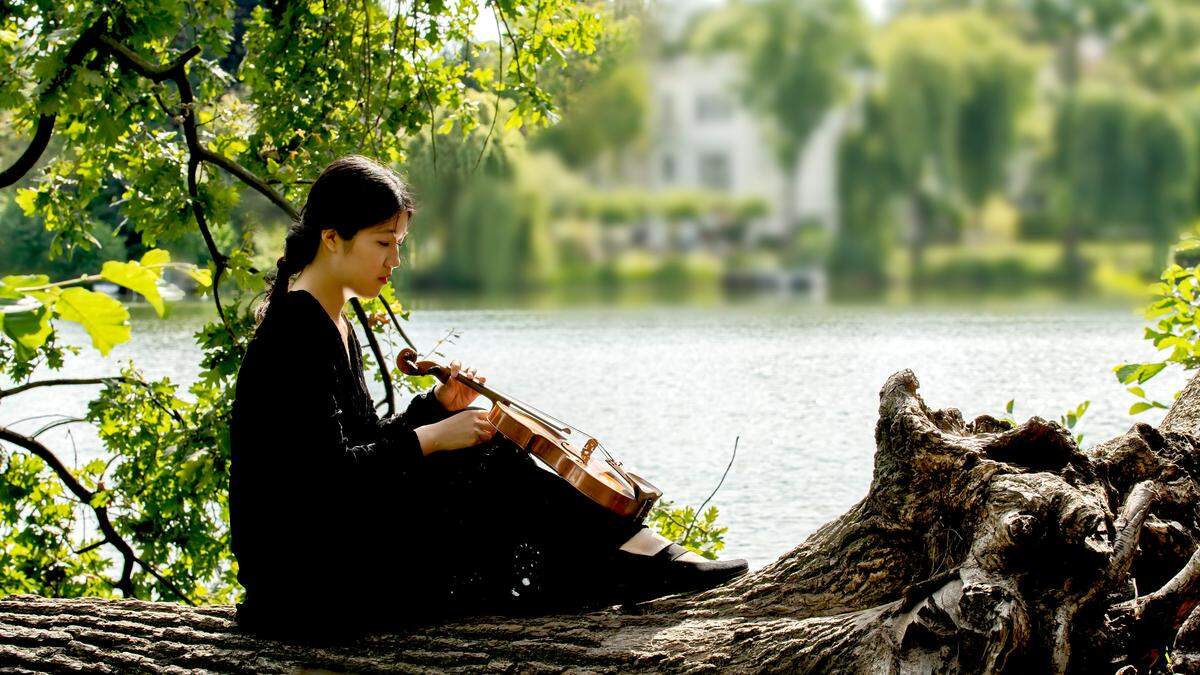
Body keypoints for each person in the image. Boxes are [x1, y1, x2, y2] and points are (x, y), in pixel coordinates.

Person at [228, 155, 748, 638]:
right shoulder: (295, 332)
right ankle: (631, 555)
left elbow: (362, 445)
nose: (396, 260)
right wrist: (434, 437)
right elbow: (326, 478)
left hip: (330, 550)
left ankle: (625, 556)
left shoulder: (333, 321)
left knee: (479, 441)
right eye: (384, 243)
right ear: (333, 238)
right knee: (483, 454)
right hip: (301, 584)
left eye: (400, 244)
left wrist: (437, 409)